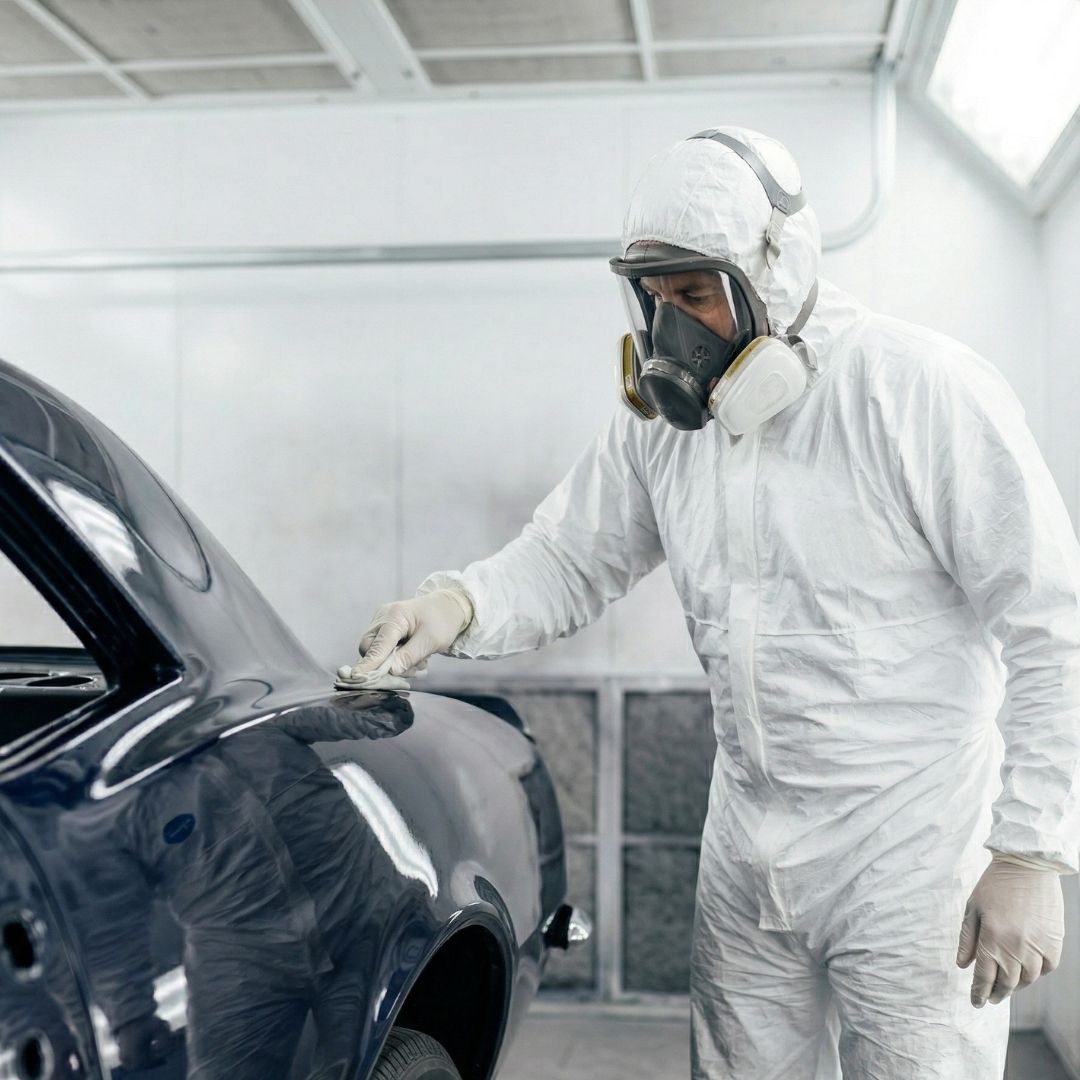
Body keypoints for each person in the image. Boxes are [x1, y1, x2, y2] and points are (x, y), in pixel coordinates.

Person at [340, 126, 1080, 1079]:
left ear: (775, 270)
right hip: (748, 842)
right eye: (651, 299)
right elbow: (569, 555)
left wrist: (1030, 854)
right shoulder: (664, 431)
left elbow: (1053, 622)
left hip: (914, 849)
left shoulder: (915, 390)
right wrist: (456, 605)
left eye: (693, 294)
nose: (669, 330)